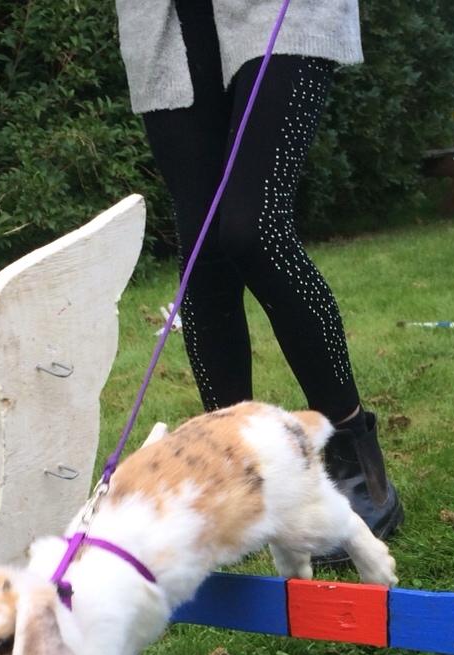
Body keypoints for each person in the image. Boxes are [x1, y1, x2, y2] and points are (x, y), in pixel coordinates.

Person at [114, 0, 402, 548]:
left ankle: (352, 450)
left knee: (252, 228)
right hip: (168, 21)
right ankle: (234, 469)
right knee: (203, 256)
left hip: (280, 12)